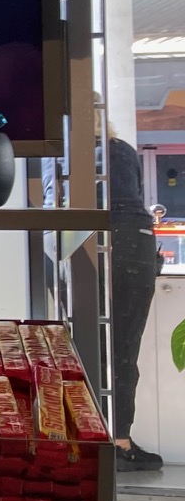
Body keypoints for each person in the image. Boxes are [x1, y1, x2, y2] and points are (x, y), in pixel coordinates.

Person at [110, 133, 164, 471]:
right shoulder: (117, 148)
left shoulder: (62, 153)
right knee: (124, 349)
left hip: (78, 240)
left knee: (87, 346)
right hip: (130, 242)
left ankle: (91, 436)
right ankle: (120, 442)